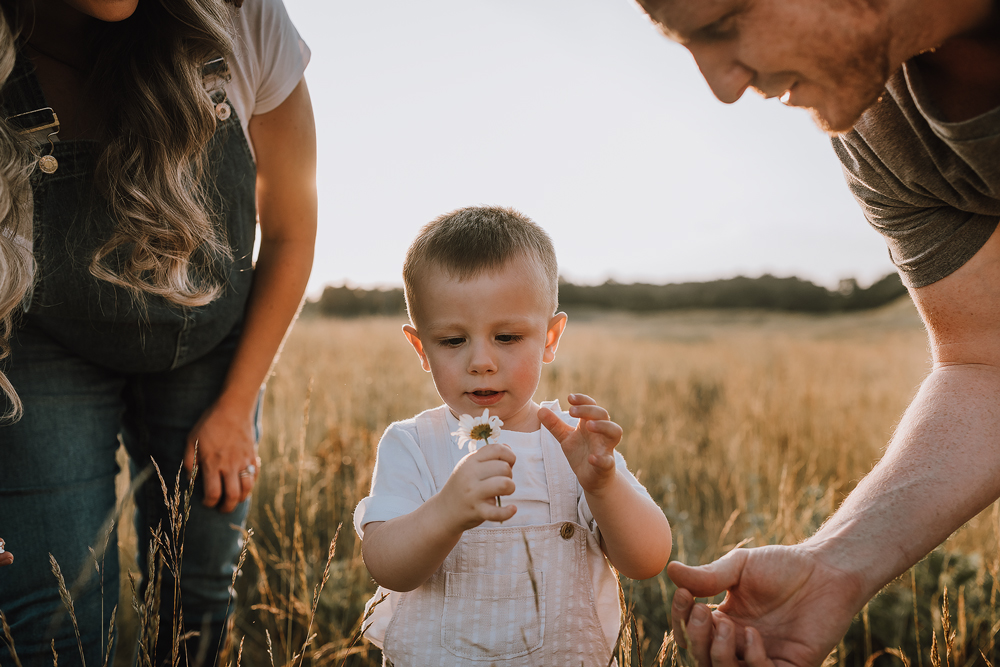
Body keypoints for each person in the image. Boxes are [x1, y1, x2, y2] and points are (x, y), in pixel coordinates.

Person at [629, 1, 1000, 666]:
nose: (722, 84)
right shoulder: (877, 124)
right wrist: (834, 562)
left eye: (724, 23)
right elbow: (985, 362)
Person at [0, 0, 316, 664]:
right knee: (51, 626)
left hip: (211, 350)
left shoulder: (244, 16)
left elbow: (290, 225)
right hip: (41, 344)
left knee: (195, 606)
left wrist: (235, 407)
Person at [353, 206, 672, 666]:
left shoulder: (572, 445)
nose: (481, 361)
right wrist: (445, 512)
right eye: (452, 341)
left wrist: (603, 485)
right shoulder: (412, 444)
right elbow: (385, 565)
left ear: (549, 338)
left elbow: (648, 559)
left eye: (506, 337)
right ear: (421, 347)